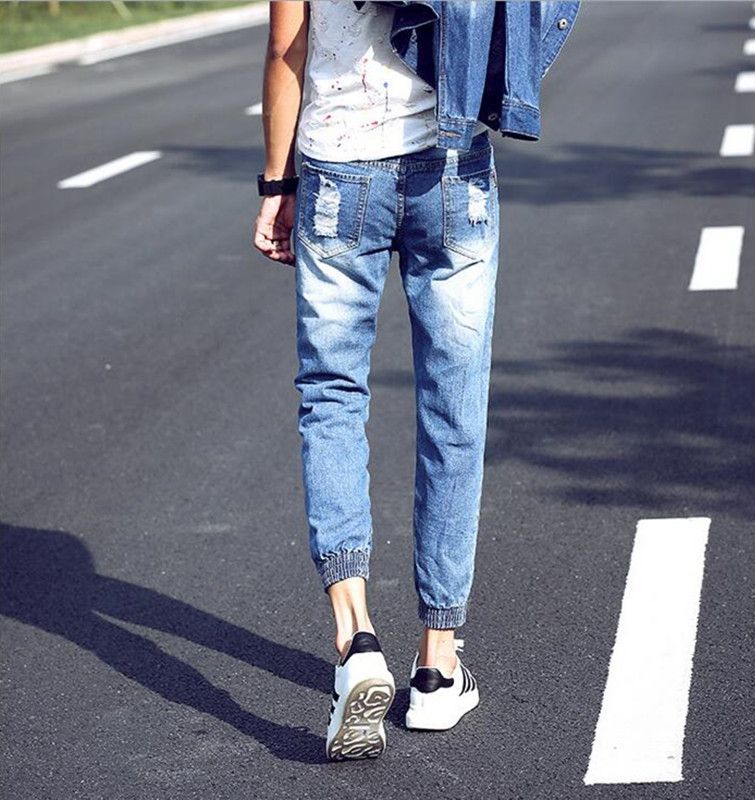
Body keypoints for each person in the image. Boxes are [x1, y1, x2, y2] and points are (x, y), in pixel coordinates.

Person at [253, 0, 498, 761]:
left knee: (332, 396)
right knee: (453, 406)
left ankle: (356, 638)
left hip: (337, 166)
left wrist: (275, 183)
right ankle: (437, 666)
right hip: (450, 162)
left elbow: (287, 50)